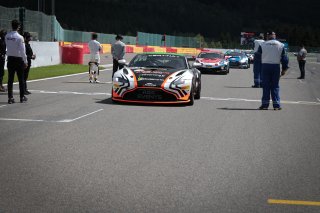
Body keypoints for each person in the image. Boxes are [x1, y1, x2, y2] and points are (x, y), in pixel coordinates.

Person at [256, 31, 289, 110]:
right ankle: (276, 105)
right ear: (275, 36)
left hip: (265, 66)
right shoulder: (281, 45)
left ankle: (265, 105)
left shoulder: (262, 44)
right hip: (276, 66)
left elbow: (258, 56)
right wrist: (284, 69)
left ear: (268, 36)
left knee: (266, 86)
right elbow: (285, 58)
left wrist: (260, 65)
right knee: (275, 86)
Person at [5, 20, 28, 104]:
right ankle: (22, 97)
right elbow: (23, 51)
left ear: (12, 26)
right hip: (18, 60)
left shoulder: (7, 36)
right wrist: (25, 61)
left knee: (10, 79)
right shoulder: (20, 37)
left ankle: (10, 97)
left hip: (10, 59)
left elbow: (7, 46)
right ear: (18, 26)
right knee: (21, 79)